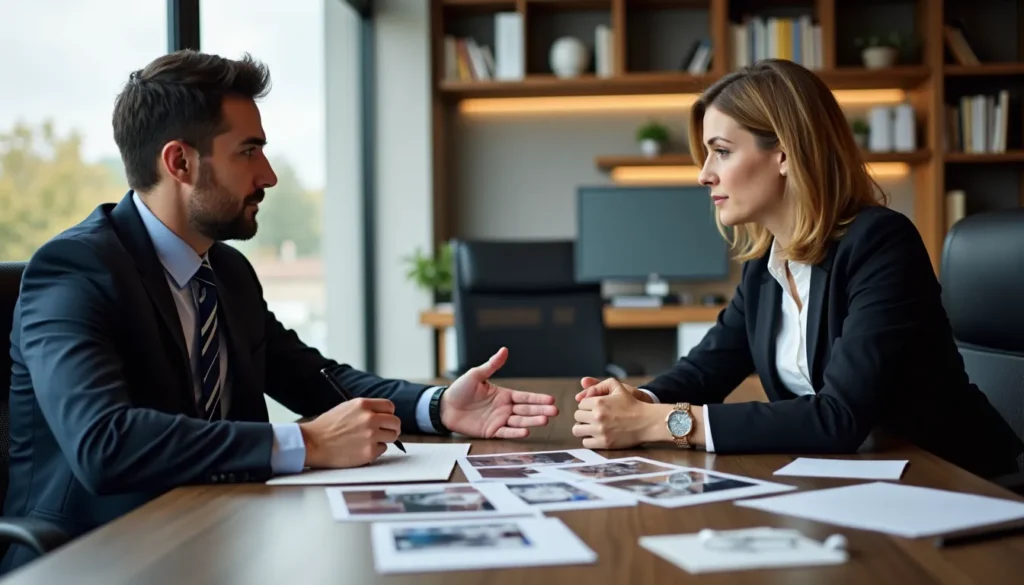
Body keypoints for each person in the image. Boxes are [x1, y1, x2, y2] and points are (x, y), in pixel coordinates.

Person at [3, 50, 558, 571]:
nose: (267, 175)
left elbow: (315, 378)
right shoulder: (75, 271)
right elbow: (104, 442)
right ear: (180, 162)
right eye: (248, 151)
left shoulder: (226, 272)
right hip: (97, 557)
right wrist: (308, 443)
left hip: (221, 534)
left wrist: (437, 406)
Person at [572, 59, 1024, 481]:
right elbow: (706, 369)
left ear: (784, 154)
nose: (704, 174)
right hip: (852, 480)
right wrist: (638, 401)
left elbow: (840, 416)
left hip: (953, 480)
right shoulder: (765, 268)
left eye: (722, 151)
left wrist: (662, 423)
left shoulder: (881, 244)